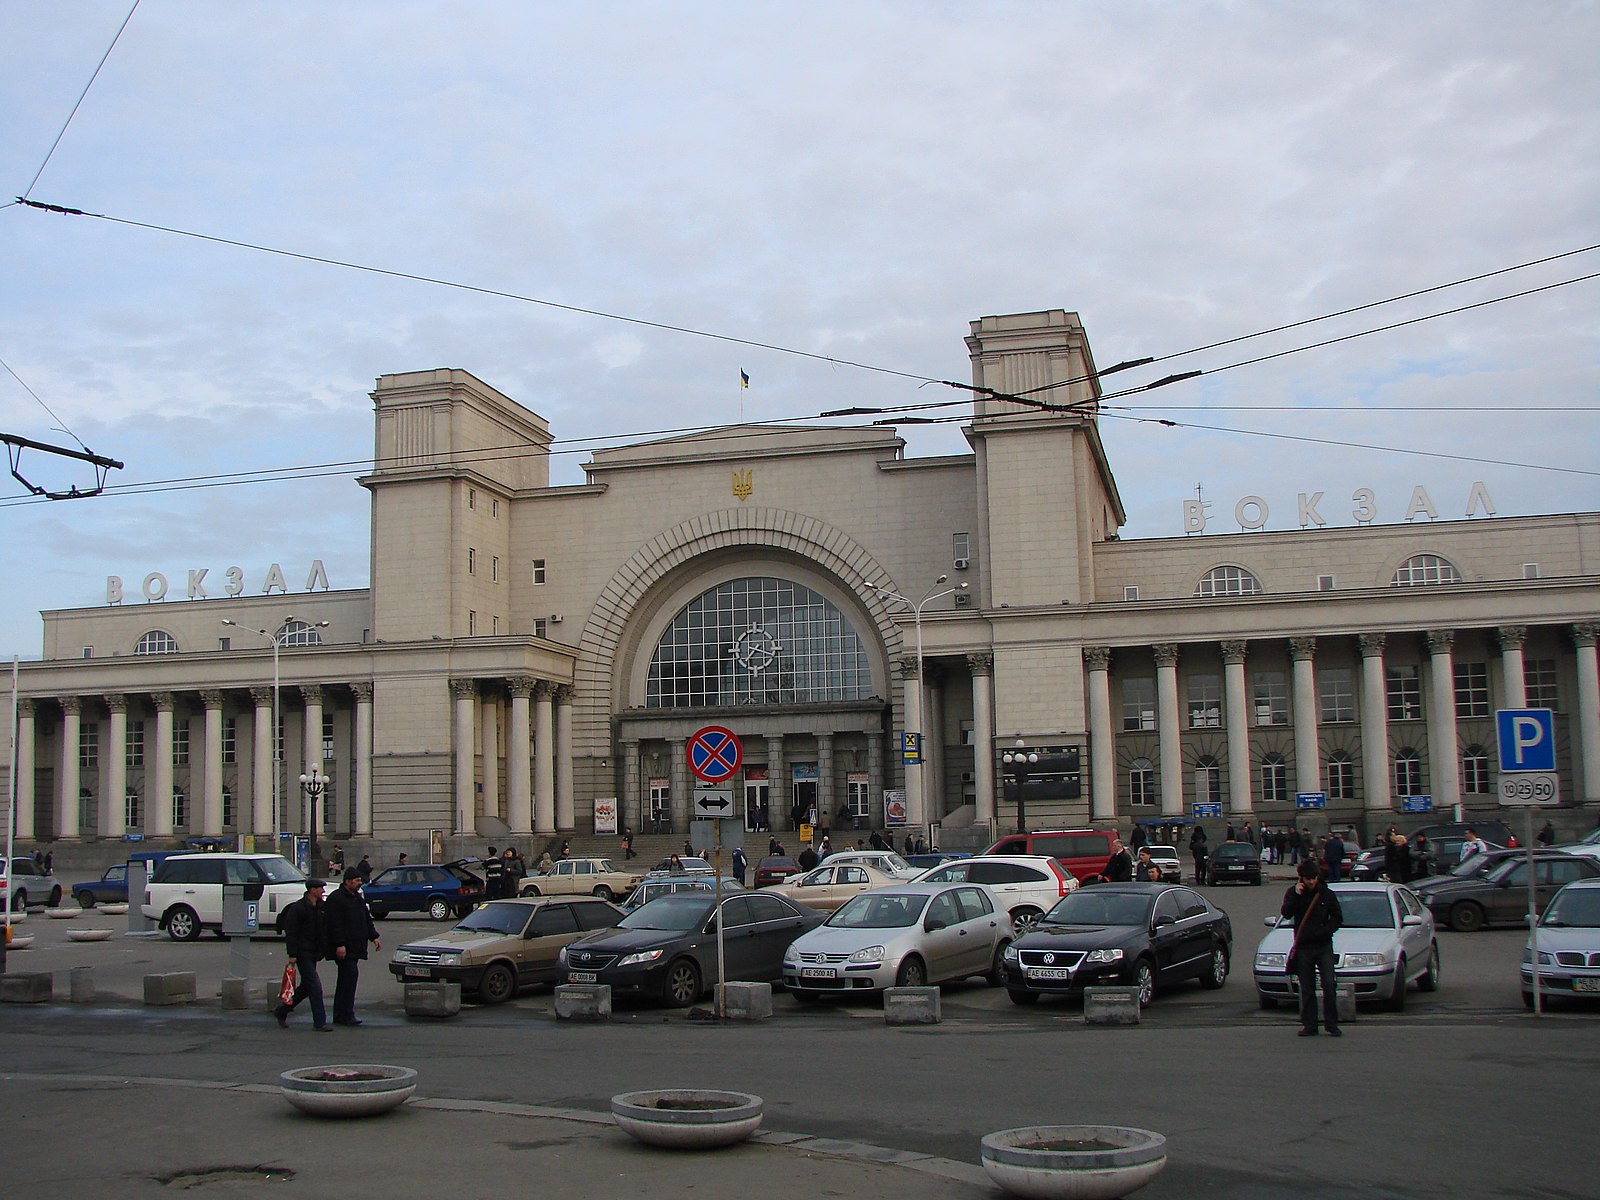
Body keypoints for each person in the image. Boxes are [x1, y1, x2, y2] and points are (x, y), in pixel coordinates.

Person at [1282, 858, 1344, 1037]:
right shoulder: (1293, 893)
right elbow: (1286, 913)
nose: (1311, 881)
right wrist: (1296, 894)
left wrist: (1326, 931)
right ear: (1301, 878)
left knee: (1328, 984)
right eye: (1307, 878)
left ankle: (1331, 1023)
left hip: (1323, 946)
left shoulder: (1326, 894)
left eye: (1314, 877)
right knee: (1307, 988)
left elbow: (1338, 917)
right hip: (1304, 948)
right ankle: (1310, 1025)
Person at [324, 867, 381, 1026]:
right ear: (347, 882)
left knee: (347, 979)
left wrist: (374, 936)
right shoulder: (337, 898)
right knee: (349, 977)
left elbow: (365, 918)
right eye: (356, 881)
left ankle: (342, 1014)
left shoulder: (356, 897)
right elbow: (335, 924)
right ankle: (345, 1014)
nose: (359, 883)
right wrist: (340, 944)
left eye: (360, 880)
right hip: (344, 947)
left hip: (355, 946)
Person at [273, 877, 332, 1032]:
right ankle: (320, 1022)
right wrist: (292, 954)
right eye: (320, 888)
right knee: (315, 986)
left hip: (314, 952)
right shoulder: (298, 908)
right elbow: (292, 933)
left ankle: (282, 1010)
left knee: (306, 987)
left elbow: (324, 929)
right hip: (302, 953)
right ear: (312, 890)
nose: (323, 891)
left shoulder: (321, 907)